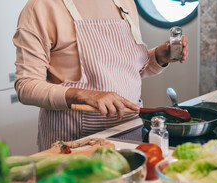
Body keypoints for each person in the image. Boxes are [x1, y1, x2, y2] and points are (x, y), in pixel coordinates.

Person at [13, 0, 189, 151]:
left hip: (128, 135)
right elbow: (26, 86)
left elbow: (123, 71)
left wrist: (158, 57)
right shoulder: (41, 7)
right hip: (74, 142)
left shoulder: (124, 3)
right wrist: (86, 95)